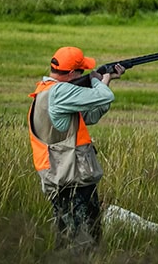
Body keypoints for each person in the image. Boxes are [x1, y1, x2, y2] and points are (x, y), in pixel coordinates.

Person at [26, 46, 125, 250]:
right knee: (85, 238)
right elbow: (105, 96)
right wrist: (97, 80)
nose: (84, 74)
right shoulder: (61, 92)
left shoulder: (46, 91)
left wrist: (106, 80)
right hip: (72, 177)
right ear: (72, 73)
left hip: (60, 174)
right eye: (82, 71)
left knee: (67, 234)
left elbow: (90, 115)